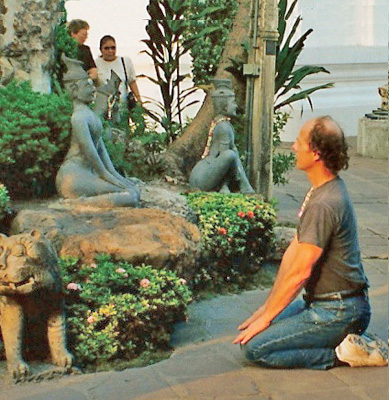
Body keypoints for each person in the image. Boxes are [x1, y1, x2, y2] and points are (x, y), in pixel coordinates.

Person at [234, 116, 386, 369]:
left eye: (298, 142)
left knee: (255, 349)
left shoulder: (325, 203)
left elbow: (300, 272)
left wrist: (268, 316)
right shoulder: (321, 190)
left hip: (339, 311)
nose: (293, 147)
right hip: (325, 304)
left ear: (315, 153)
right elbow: (292, 256)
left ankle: (342, 355)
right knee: (259, 328)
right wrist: (267, 309)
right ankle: (350, 341)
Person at [56, 55, 140, 208]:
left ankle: (80, 202)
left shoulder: (89, 115)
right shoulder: (78, 118)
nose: (94, 89)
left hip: (87, 173)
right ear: (74, 89)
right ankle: (76, 204)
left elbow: (101, 150)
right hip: (72, 177)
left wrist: (115, 176)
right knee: (131, 196)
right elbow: (90, 152)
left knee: (133, 191)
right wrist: (107, 177)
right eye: (88, 86)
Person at [189, 79, 254, 194]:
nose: (235, 106)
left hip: (201, 174)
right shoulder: (223, 127)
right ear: (224, 106)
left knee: (232, 154)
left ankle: (240, 187)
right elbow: (226, 159)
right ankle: (227, 187)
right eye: (233, 102)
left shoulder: (222, 124)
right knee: (230, 154)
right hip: (202, 178)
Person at [95, 35, 141, 106]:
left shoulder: (125, 61)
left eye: (113, 48)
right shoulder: (95, 64)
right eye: (106, 48)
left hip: (122, 106)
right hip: (102, 107)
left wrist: (139, 101)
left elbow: (132, 82)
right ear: (100, 49)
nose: (110, 51)